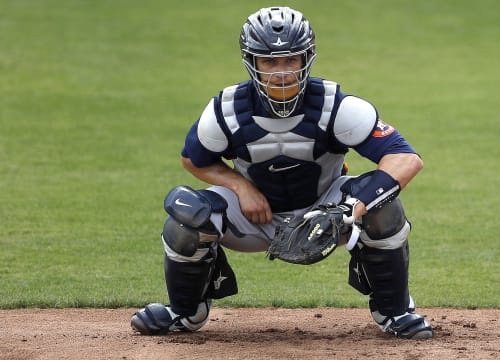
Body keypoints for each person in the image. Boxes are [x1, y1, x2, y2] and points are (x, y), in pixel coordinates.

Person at [131, 6, 433, 340]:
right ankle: (185, 314)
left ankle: (395, 312)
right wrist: (239, 186)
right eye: (270, 62)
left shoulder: (336, 107)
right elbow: (194, 160)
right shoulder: (226, 111)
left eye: (291, 61)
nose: (281, 73)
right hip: (254, 218)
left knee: (382, 206)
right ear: (251, 62)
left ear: (307, 60)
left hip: (326, 209)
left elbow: (405, 159)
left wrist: (349, 209)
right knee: (187, 216)